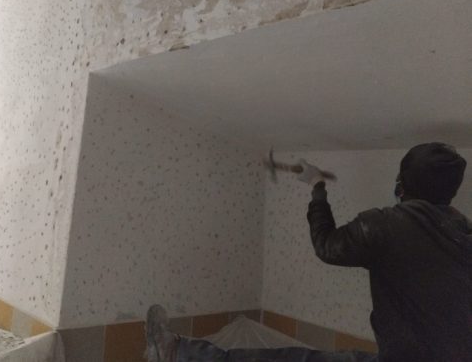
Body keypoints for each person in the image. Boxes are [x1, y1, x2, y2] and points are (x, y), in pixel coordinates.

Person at [146, 143, 471, 362]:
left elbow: (327, 245)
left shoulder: (385, 224)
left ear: (403, 182)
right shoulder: (464, 232)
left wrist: (317, 186)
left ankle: (175, 352)